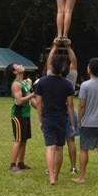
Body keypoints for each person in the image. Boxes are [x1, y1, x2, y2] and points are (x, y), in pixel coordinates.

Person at [35, 55, 75, 185]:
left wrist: (40, 120)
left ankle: (51, 176)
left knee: (50, 148)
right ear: (63, 68)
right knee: (59, 148)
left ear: (51, 67)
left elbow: (39, 103)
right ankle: (56, 175)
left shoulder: (41, 82)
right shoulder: (67, 84)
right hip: (61, 118)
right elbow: (70, 105)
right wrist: (72, 124)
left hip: (47, 117)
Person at [73, 58, 98, 184]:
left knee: (84, 149)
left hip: (88, 122)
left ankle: (82, 177)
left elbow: (82, 106)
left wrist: (79, 120)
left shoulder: (85, 85)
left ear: (89, 69)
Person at [45, 37, 79, 174]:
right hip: (69, 113)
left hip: (53, 114)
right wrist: (69, 47)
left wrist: (54, 46)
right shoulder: (70, 80)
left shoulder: (49, 77)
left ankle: (51, 169)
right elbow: (74, 63)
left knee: (52, 145)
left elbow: (49, 62)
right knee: (70, 141)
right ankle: (73, 167)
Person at [5, 63, 36, 173]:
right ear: (14, 72)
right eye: (17, 65)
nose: (21, 65)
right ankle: (12, 165)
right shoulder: (16, 84)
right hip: (18, 116)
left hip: (25, 115)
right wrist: (33, 94)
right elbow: (19, 101)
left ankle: (21, 163)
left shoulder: (24, 83)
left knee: (24, 140)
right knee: (18, 140)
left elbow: (30, 100)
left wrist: (40, 109)